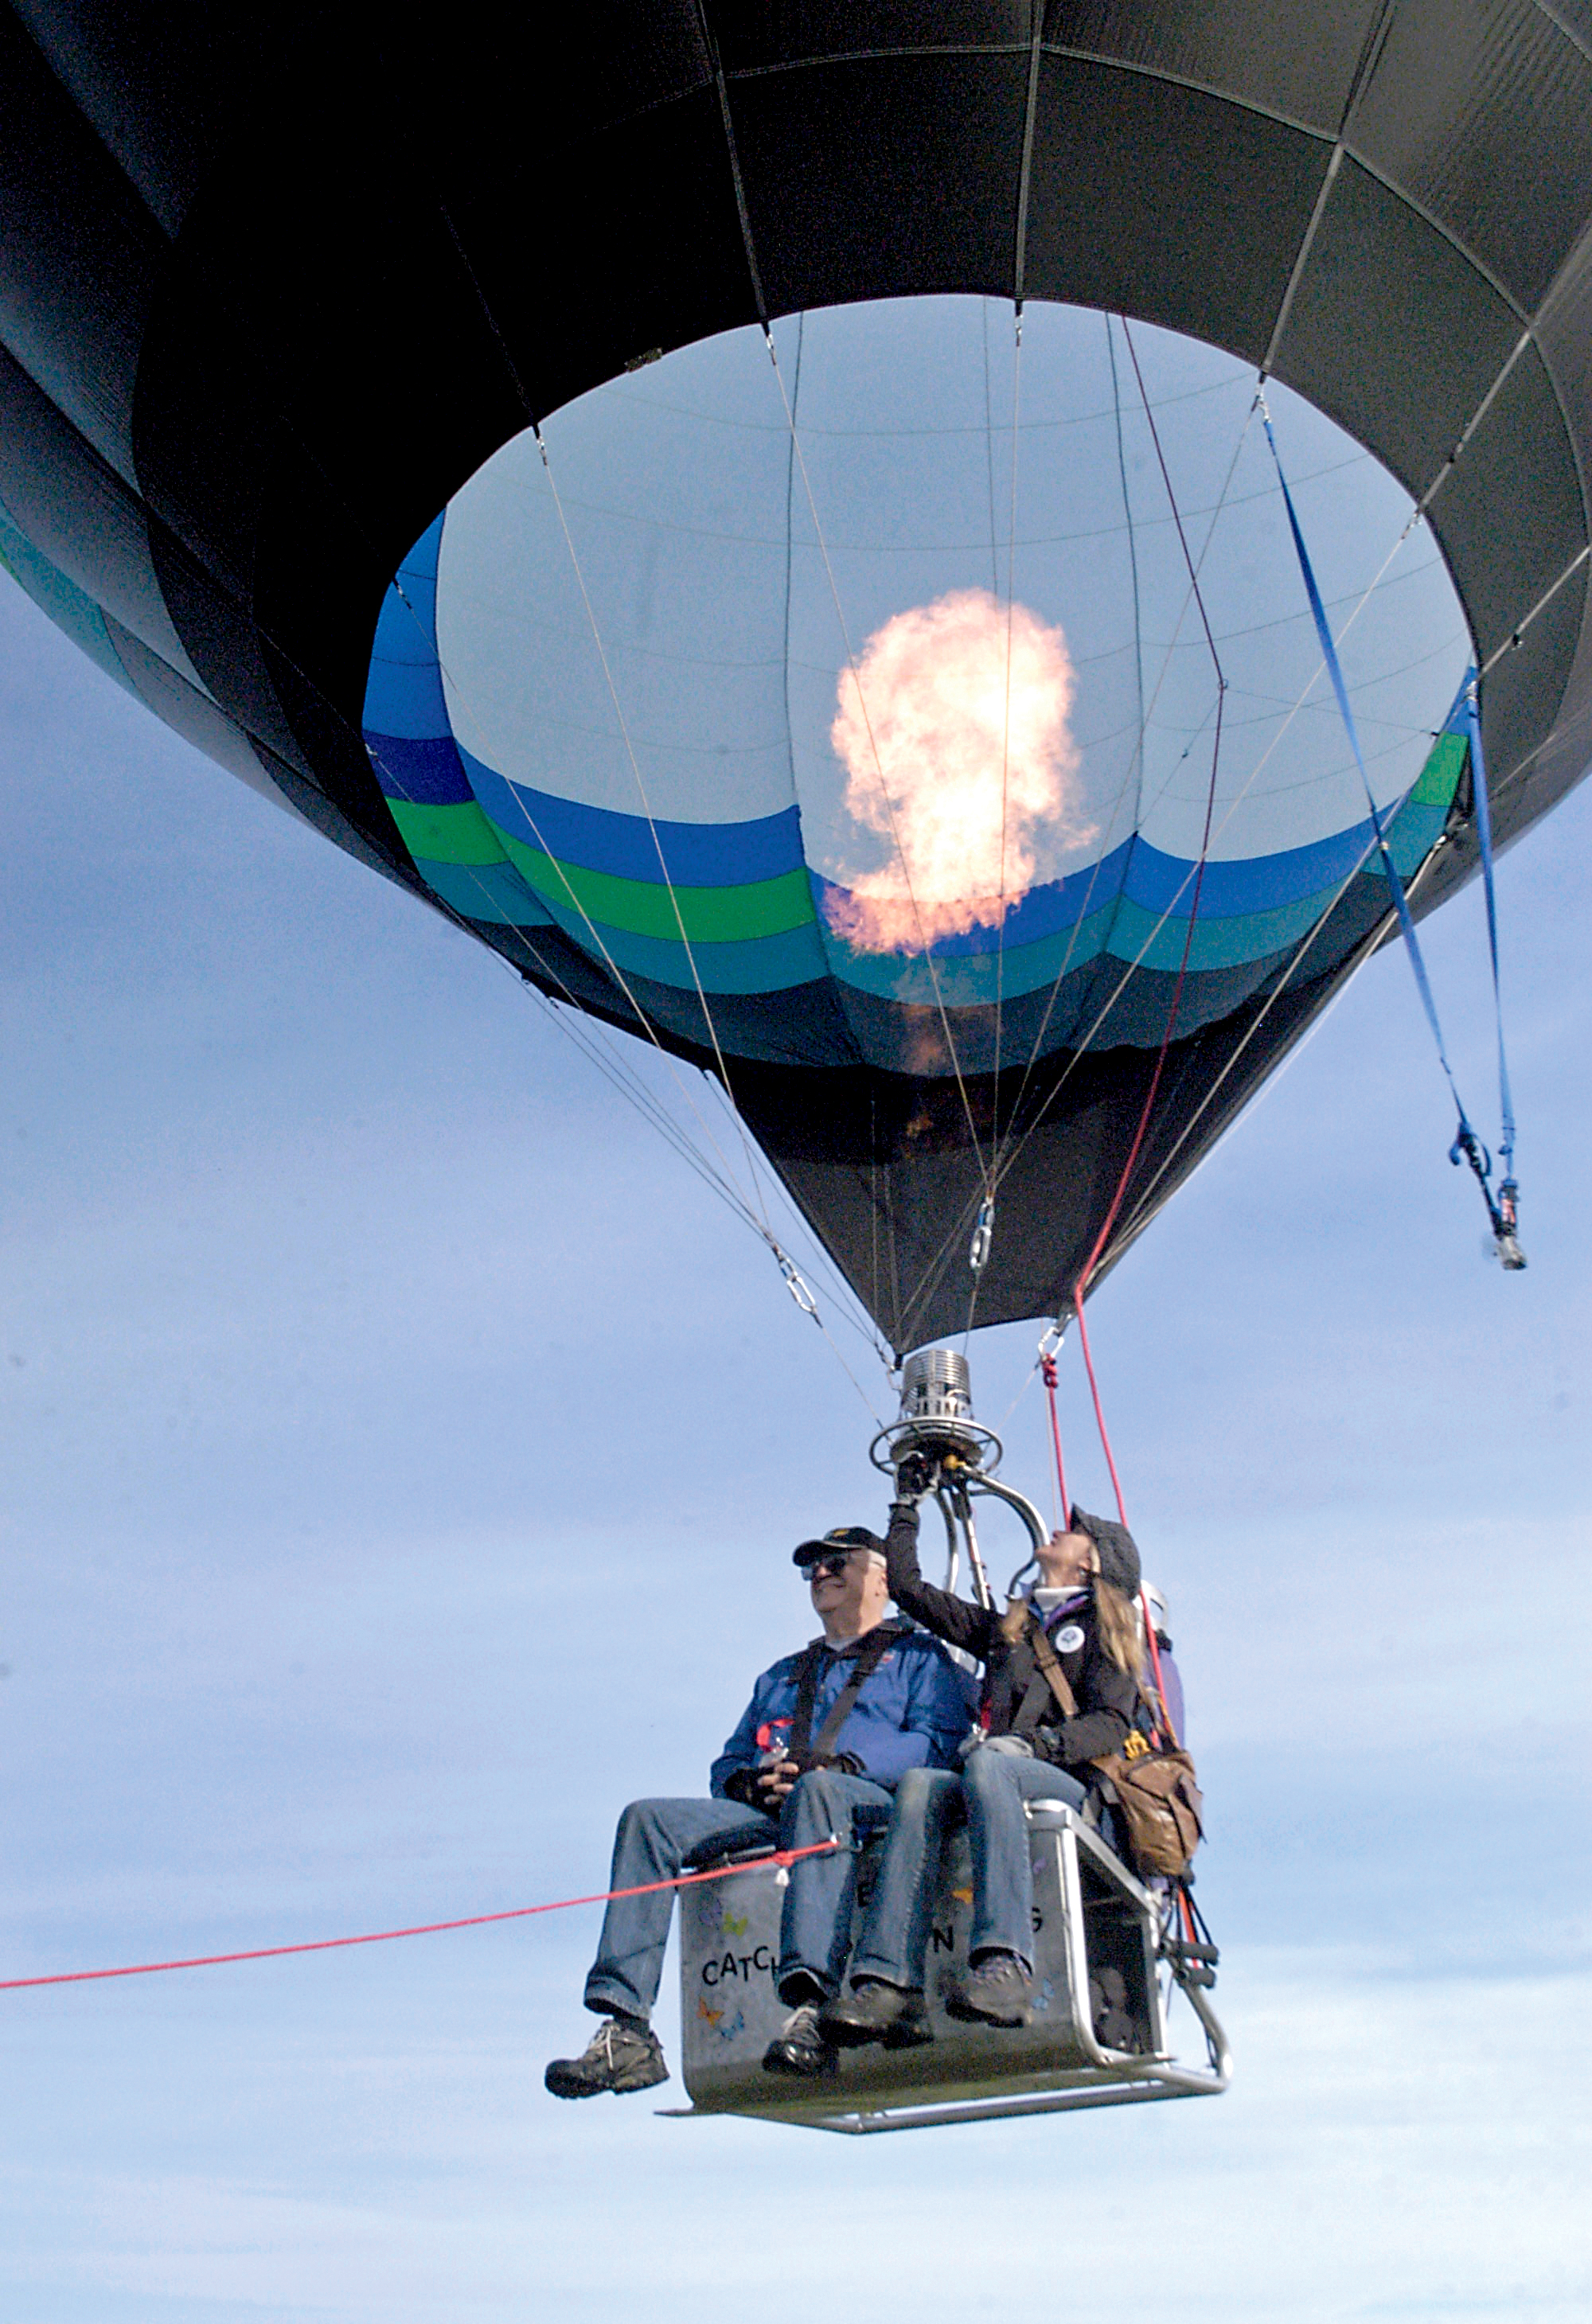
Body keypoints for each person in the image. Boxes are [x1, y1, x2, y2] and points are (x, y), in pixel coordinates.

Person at [543, 1523, 970, 2098]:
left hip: (874, 1807)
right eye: (812, 1568)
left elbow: (935, 1742)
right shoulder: (782, 1675)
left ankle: (812, 2006)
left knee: (820, 1796)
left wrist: (840, 1768)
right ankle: (627, 2029)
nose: (821, 1574)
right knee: (648, 1820)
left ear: (881, 1578)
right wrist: (750, 1783)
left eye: (837, 1564)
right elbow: (728, 1764)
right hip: (783, 1812)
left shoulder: (921, 1658)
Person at [819, 1464, 1143, 2049]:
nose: (1061, 1532)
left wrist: (1041, 1745)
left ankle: (1006, 1965)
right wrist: (907, 1507)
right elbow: (911, 1591)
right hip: (992, 1774)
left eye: (1076, 1532)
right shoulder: (1009, 1630)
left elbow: (1112, 1724)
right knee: (920, 1784)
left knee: (990, 1763)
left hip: (1065, 1784)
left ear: (1090, 1562)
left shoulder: (1104, 1631)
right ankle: (888, 1980)